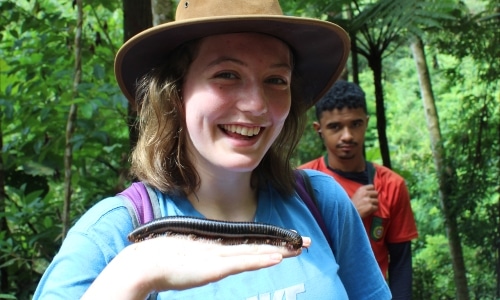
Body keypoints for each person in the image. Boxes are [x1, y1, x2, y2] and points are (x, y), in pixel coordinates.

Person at [34, 1, 391, 299]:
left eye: (276, 80)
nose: (256, 105)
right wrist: (133, 274)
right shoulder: (108, 236)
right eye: (227, 75)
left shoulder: (323, 203)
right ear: (176, 93)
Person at [299, 79, 419, 299]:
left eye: (355, 124)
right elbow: (297, 253)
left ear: (366, 122)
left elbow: (401, 263)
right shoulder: (302, 183)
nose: (347, 135)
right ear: (319, 129)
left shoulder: (392, 185)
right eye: (335, 126)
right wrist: (349, 213)